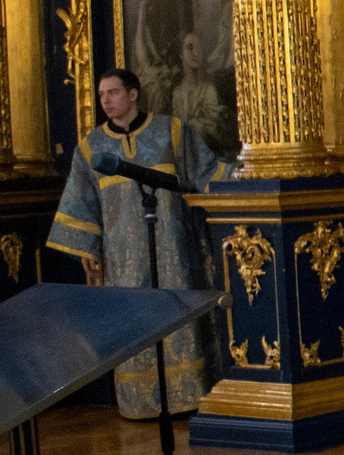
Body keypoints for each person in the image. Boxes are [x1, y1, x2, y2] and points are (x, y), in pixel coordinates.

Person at [46, 67, 224, 417]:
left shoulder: (170, 131)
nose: (106, 101)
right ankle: (142, 403)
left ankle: (186, 398)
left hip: (174, 249)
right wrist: (88, 249)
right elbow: (81, 201)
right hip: (122, 257)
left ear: (132, 94)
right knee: (133, 320)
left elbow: (205, 172)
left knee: (178, 312)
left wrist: (251, 179)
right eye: (101, 95)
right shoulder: (91, 147)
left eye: (112, 93)